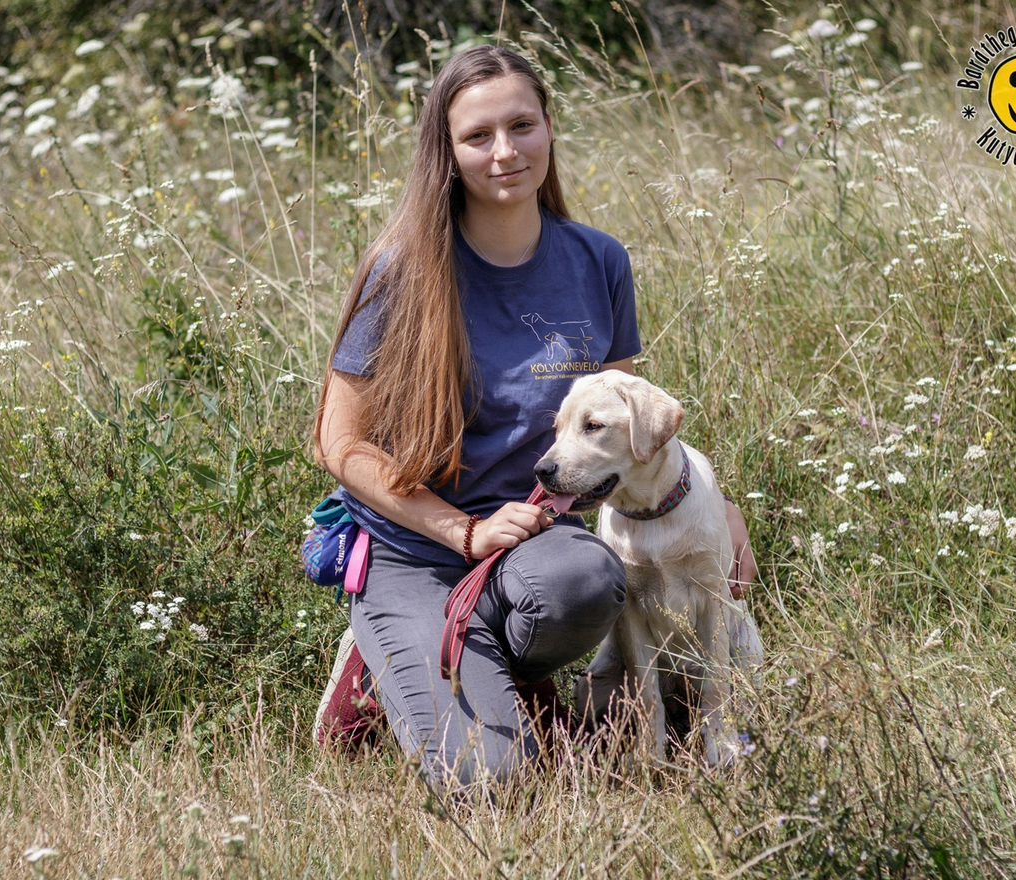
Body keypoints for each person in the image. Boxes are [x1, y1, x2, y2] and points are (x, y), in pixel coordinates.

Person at [311, 45, 756, 791]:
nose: (505, 152)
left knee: (588, 579)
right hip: (414, 550)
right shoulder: (401, 268)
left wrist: (717, 506)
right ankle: (382, 656)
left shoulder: (598, 261)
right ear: (447, 152)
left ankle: (495, 670)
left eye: (522, 125)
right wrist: (463, 531)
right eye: (477, 136)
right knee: (490, 781)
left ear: (550, 125)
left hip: (536, 542)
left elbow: (623, 431)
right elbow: (339, 441)